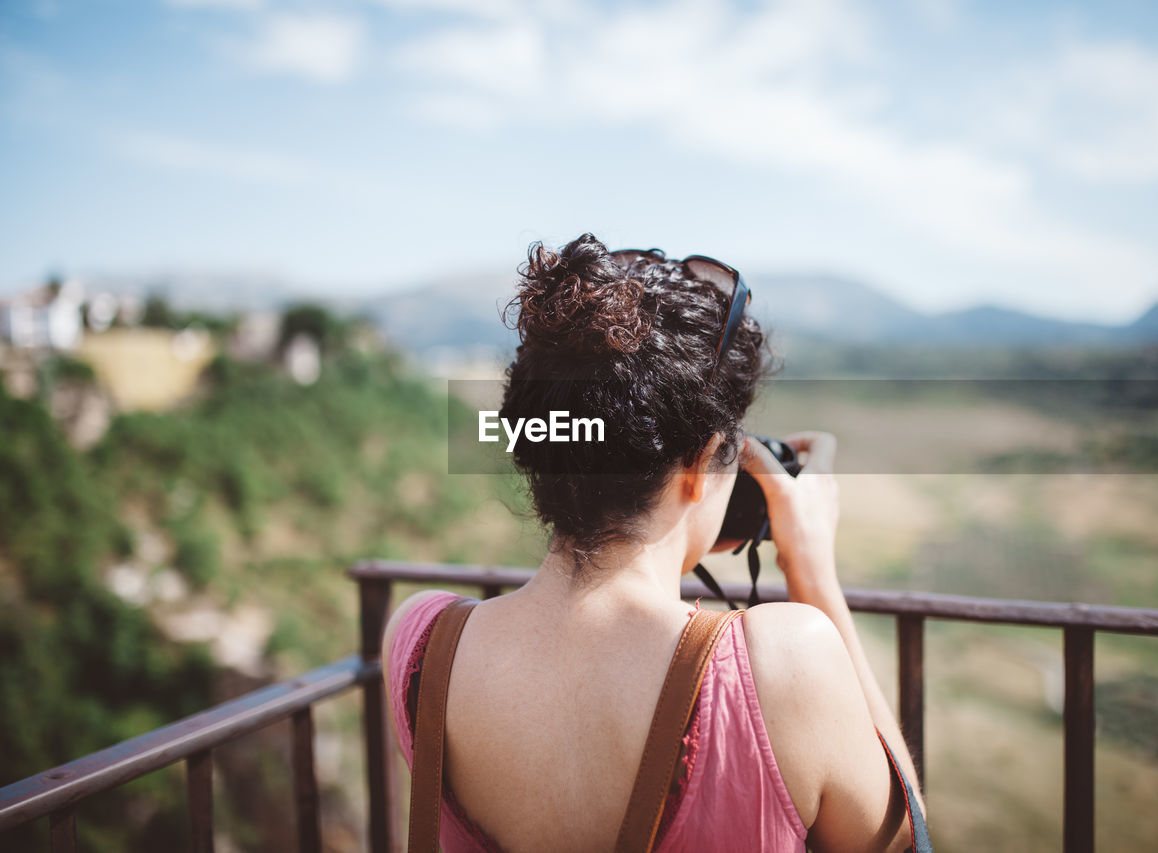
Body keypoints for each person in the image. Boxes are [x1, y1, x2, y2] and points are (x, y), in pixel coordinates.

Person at [382, 233, 926, 852]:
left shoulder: (420, 640)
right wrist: (813, 572)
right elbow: (903, 838)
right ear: (697, 466)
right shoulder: (787, 660)